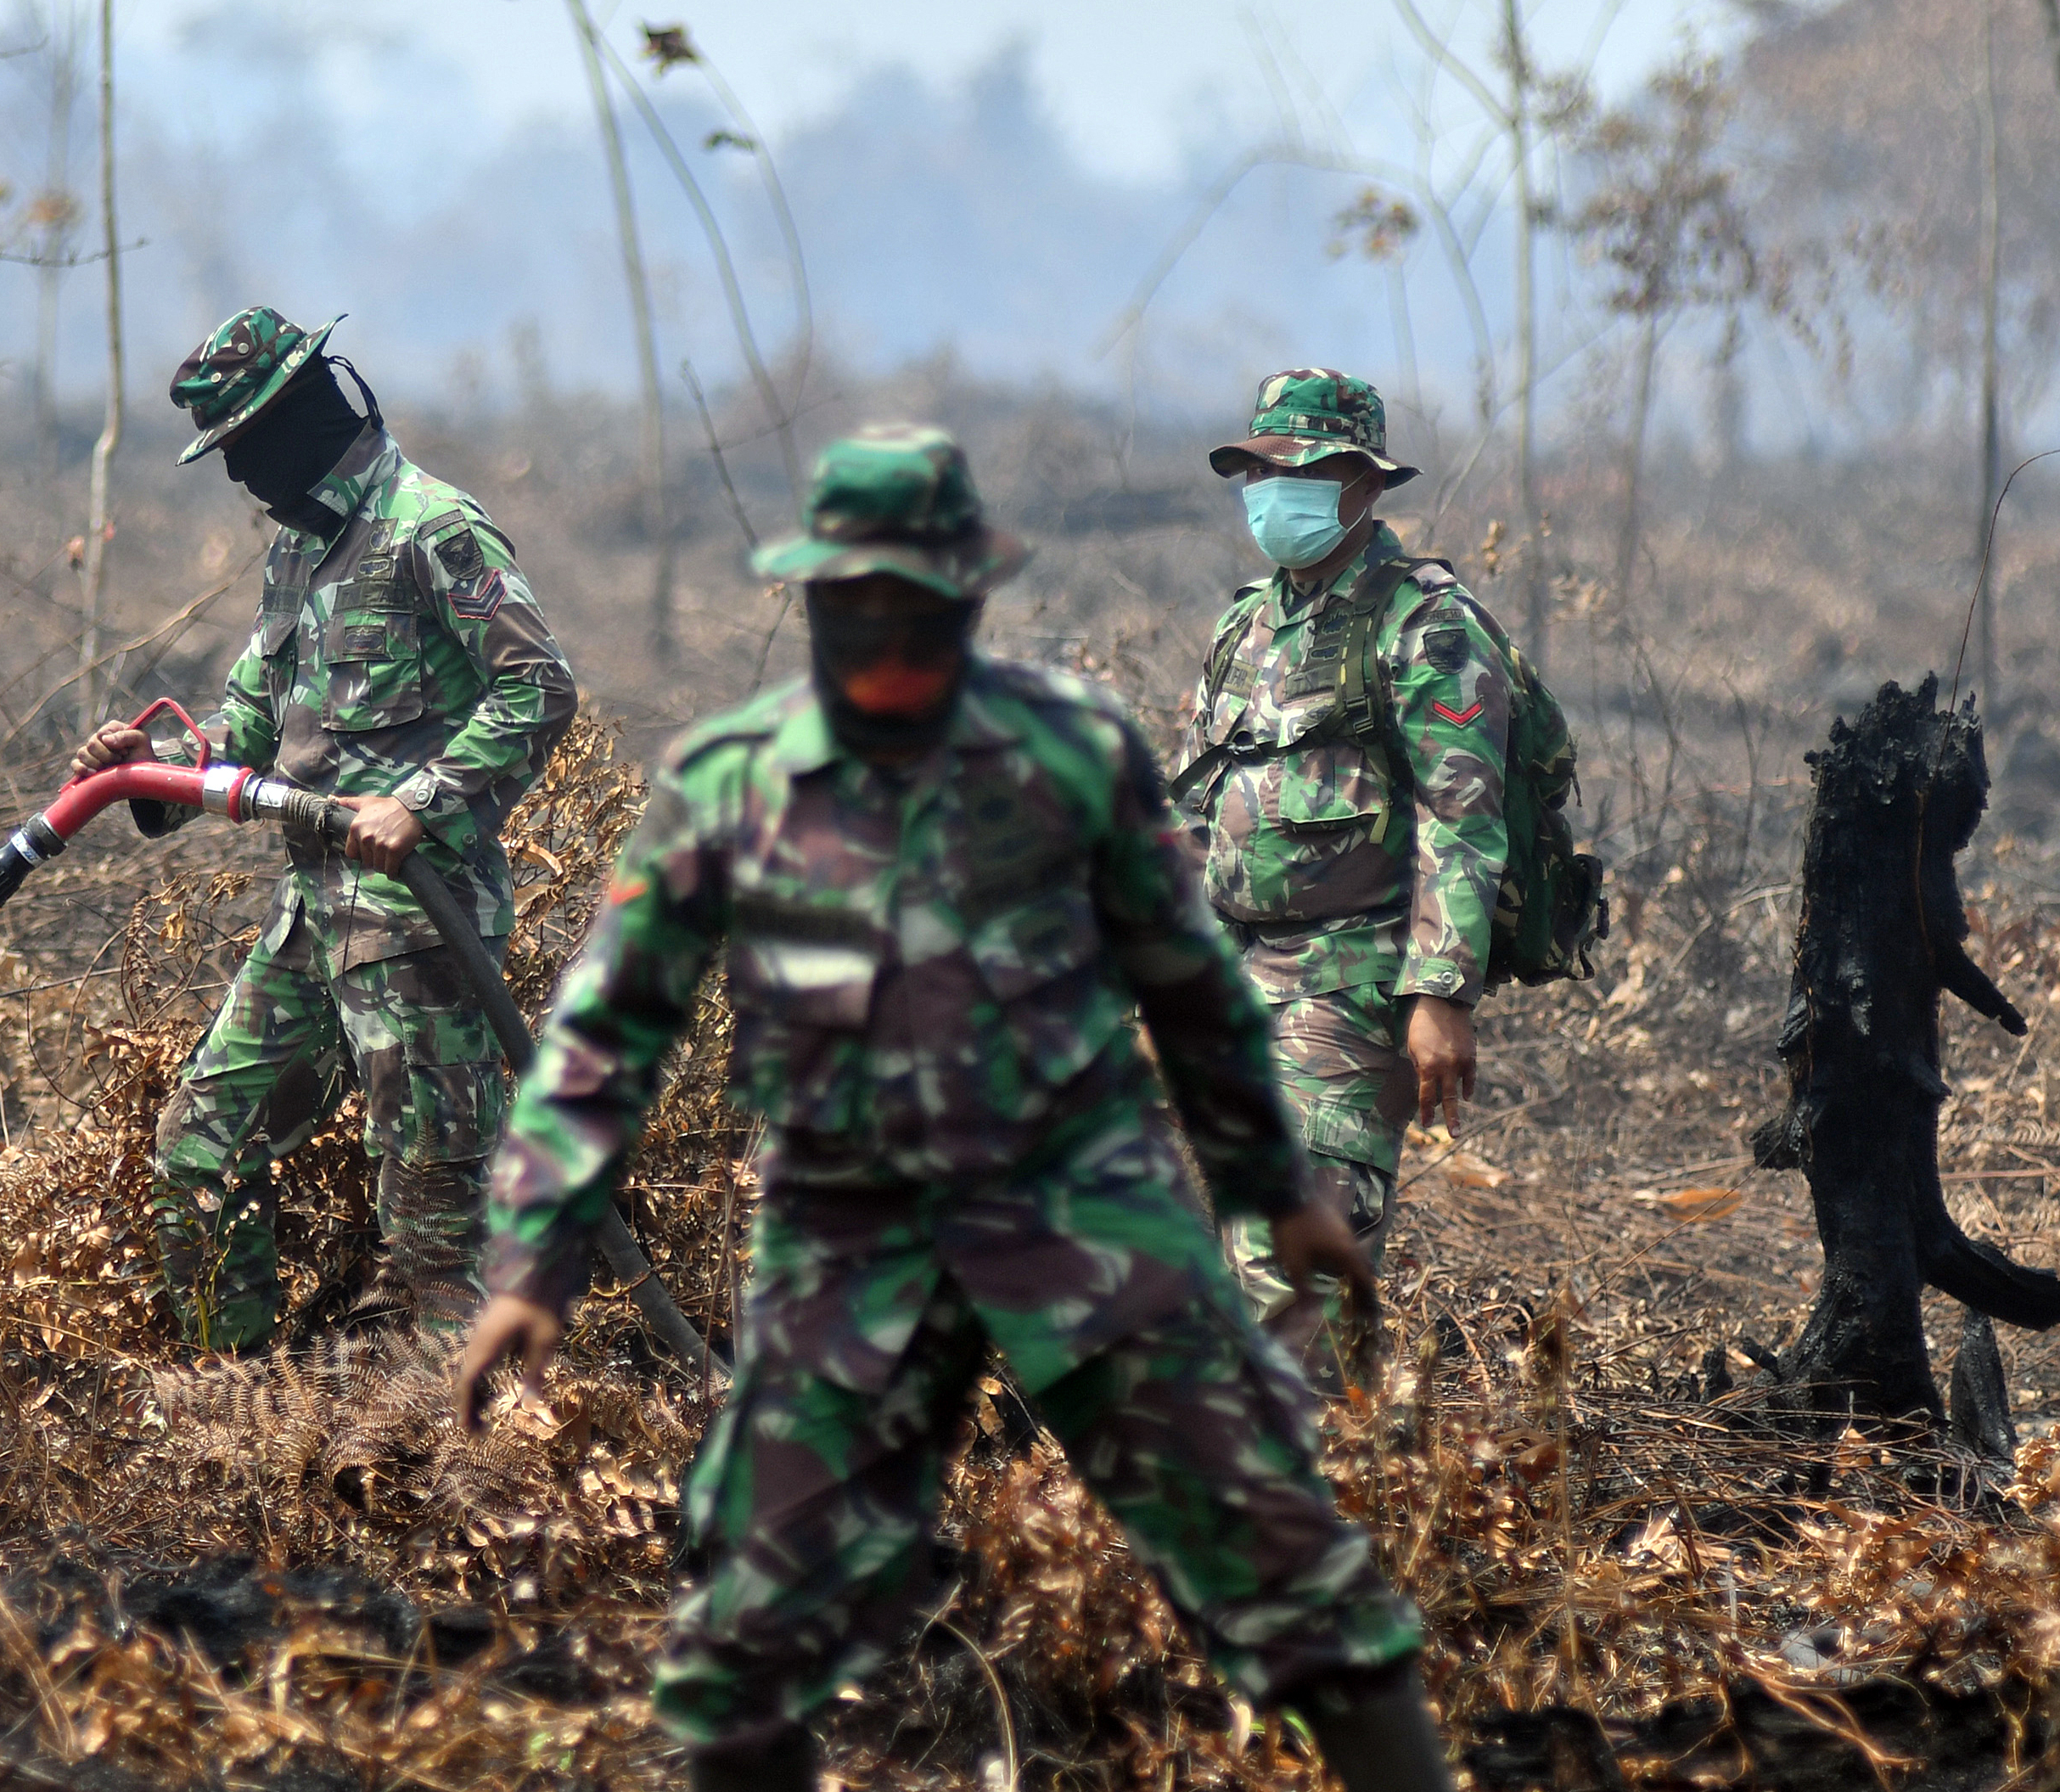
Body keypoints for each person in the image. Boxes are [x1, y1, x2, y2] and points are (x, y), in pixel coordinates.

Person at [456, 428, 1451, 1792]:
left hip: (1083, 1210)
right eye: (852, 599)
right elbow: (605, 1031)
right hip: (845, 1240)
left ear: (968, 596)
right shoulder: (730, 779)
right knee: (742, 1638)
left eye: (912, 601)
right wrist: (533, 1259)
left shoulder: (1071, 753)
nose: (882, 632)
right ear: (811, 597)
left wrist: (1274, 1188)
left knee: (1293, 1572)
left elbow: (1197, 993)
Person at [70, 306, 576, 1351]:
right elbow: (252, 731)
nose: (238, 478)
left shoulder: (432, 527)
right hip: (310, 929)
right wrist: (149, 771)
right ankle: (239, 1409)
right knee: (200, 1149)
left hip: (421, 939)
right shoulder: (298, 557)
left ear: (301, 415)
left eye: (243, 448)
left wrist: (422, 800)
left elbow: (537, 685)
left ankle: (462, 1468)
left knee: (435, 1227)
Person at [1176, 370, 1503, 1364]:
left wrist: (1440, 994)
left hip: (1347, 980)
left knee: (1296, 1265)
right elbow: (1197, 802)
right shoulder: (1247, 623)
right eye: (1259, 470)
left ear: (1363, 483)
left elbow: (1462, 815)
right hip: (1228, 975)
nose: (1275, 491)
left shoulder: (1425, 626)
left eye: (1304, 471)